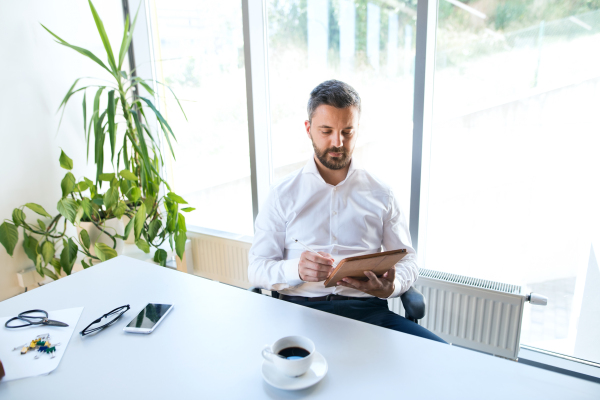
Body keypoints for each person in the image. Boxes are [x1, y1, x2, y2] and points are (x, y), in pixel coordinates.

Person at [248, 80, 445, 343]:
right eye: (326, 130)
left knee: (440, 356)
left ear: (357, 130)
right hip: (301, 312)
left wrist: (392, 286)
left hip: (369, 313)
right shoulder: (282, 194)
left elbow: (408, 260)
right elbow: (257, 269)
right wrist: (296, 270)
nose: (337, 142)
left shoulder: (381, 193)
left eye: (347, 132)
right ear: (308, 129)